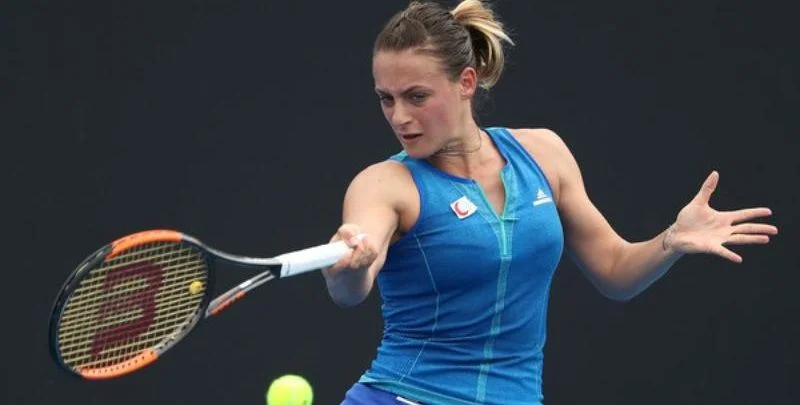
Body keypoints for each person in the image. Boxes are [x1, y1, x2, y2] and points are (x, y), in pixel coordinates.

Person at [321, 1, 778, 404]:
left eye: (416, 96)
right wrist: (350, 266)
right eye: (386, 99)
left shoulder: (543, 153)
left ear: (466, 82)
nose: (399, 116)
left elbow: (614, 270)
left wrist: (670, 242)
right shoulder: (384, 183)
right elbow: (351, 288)